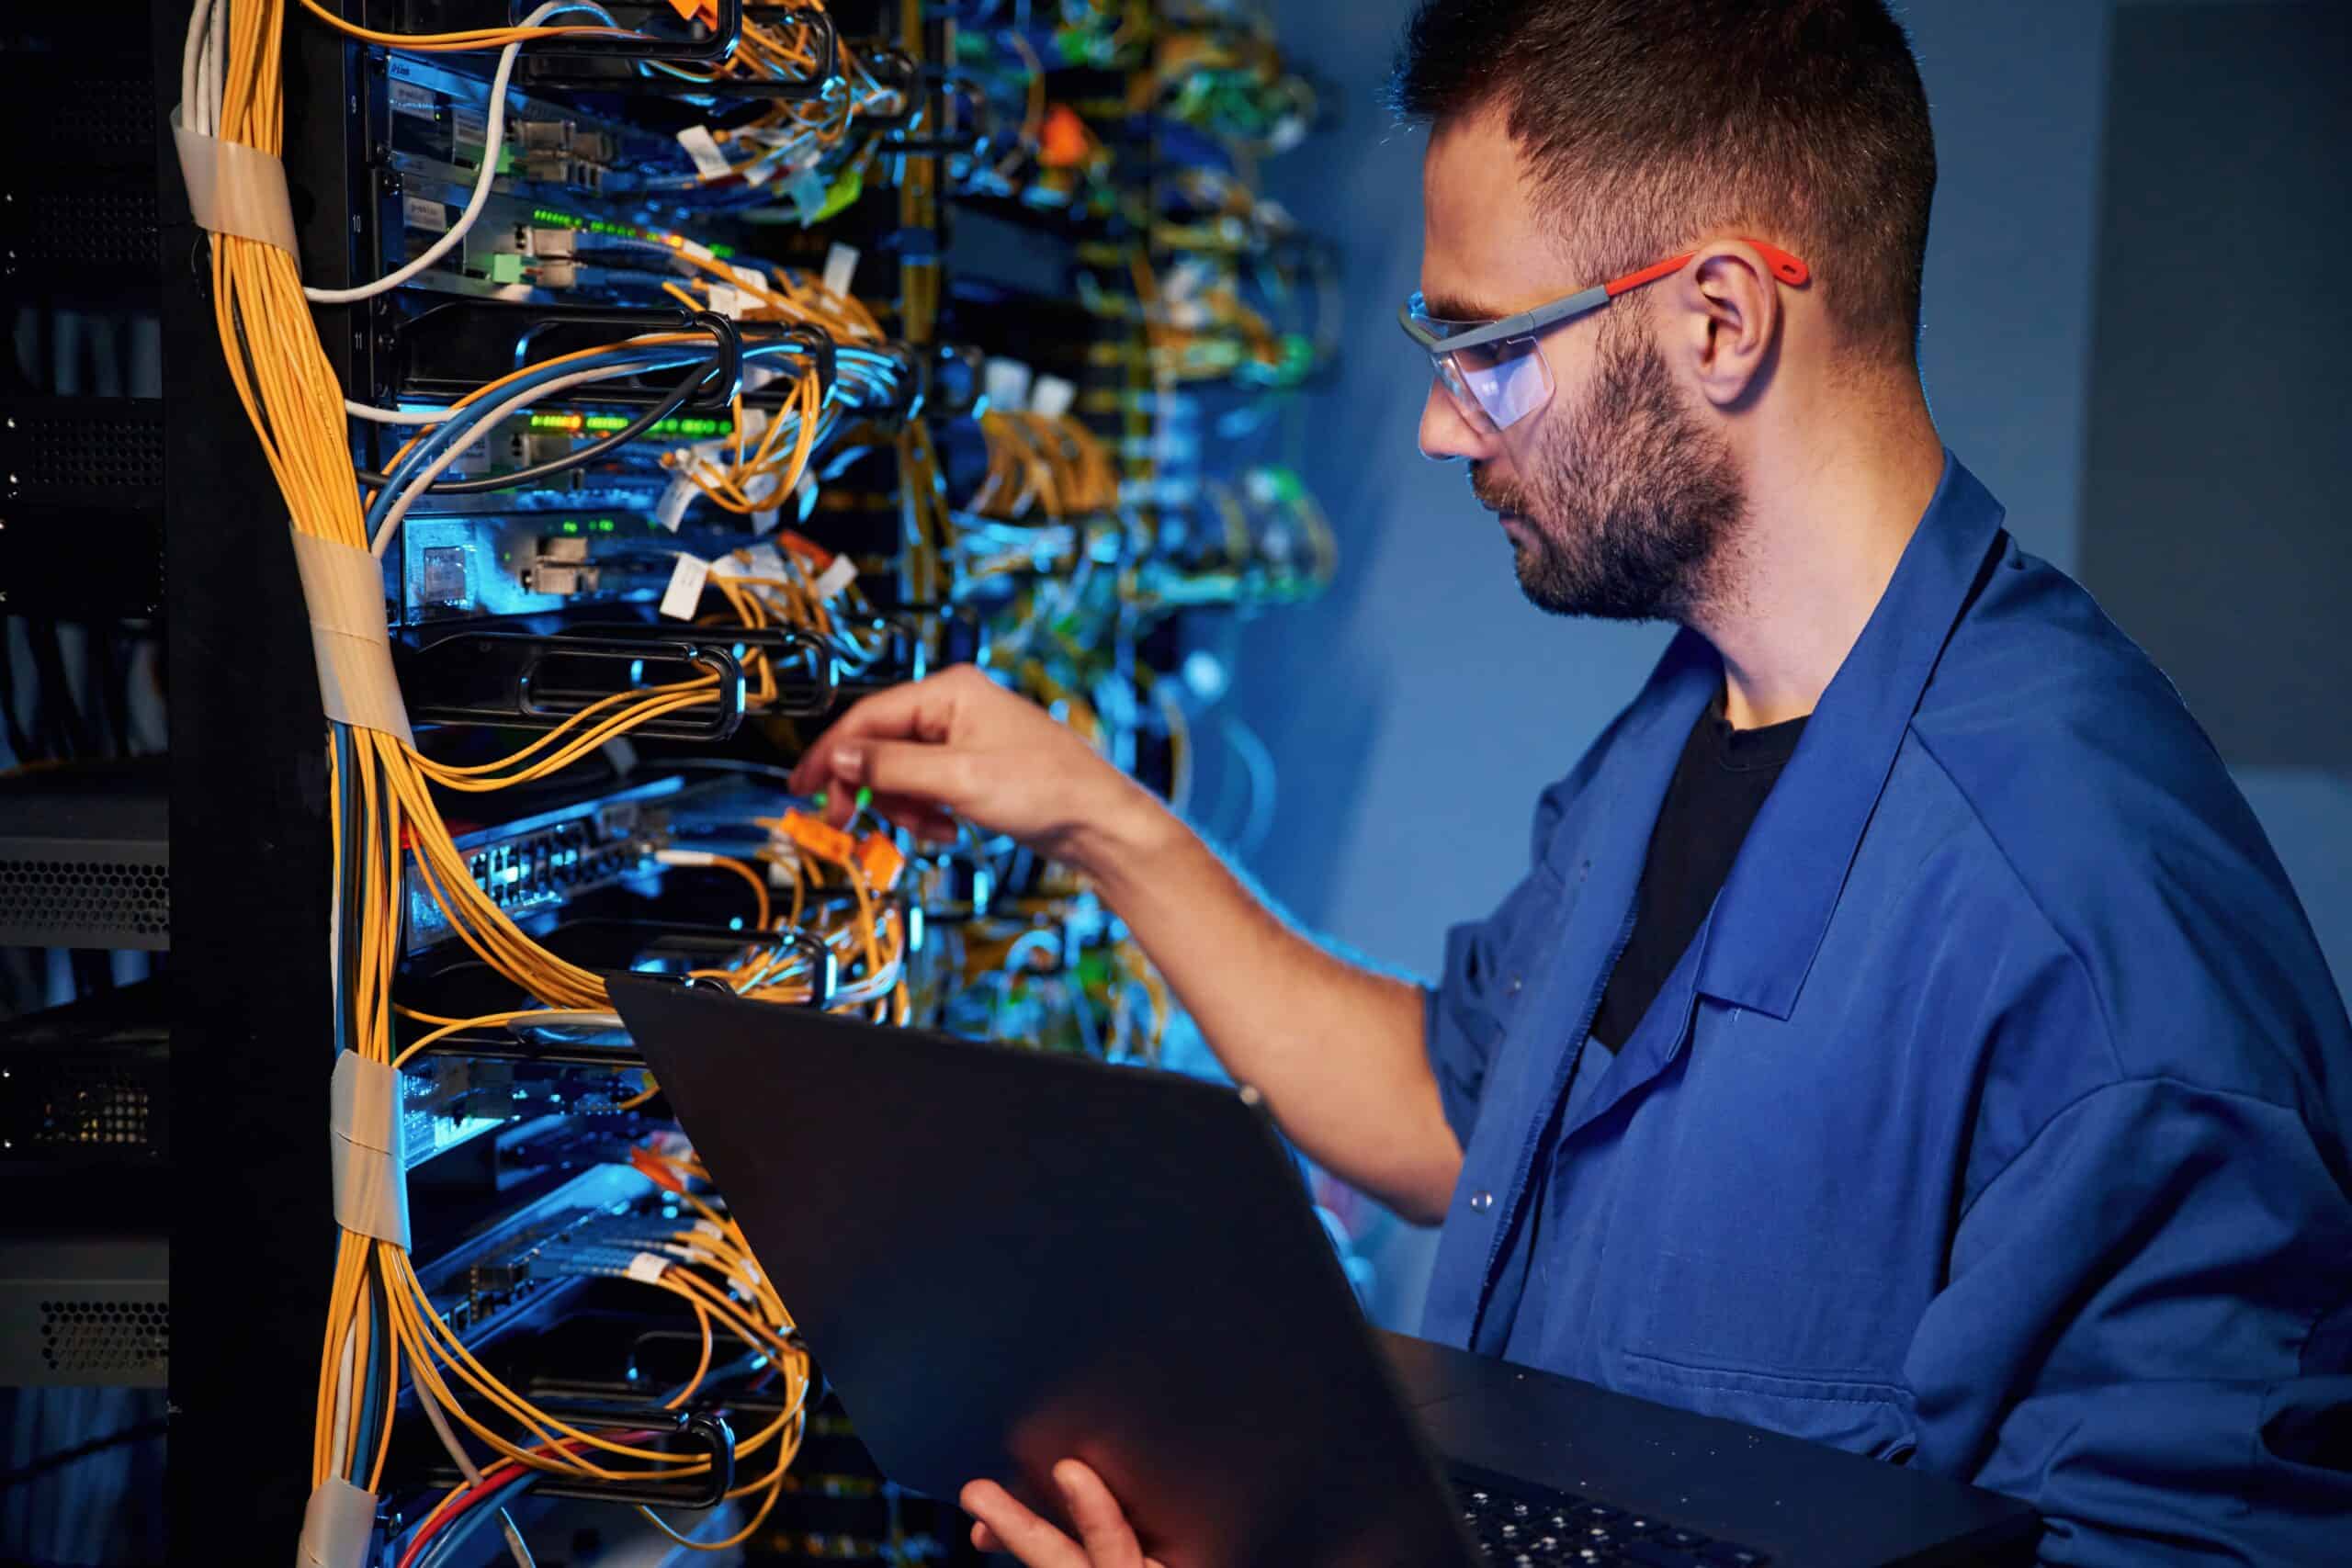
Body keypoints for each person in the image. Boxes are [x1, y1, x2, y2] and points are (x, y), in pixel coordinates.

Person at [790, 1, 2352, 1561]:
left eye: (1483, 348)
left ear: (1723, 319)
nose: (1433, 423)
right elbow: (1459, 1108)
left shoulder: (2095, 929)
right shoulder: (1700, 715)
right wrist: (1097, 816)